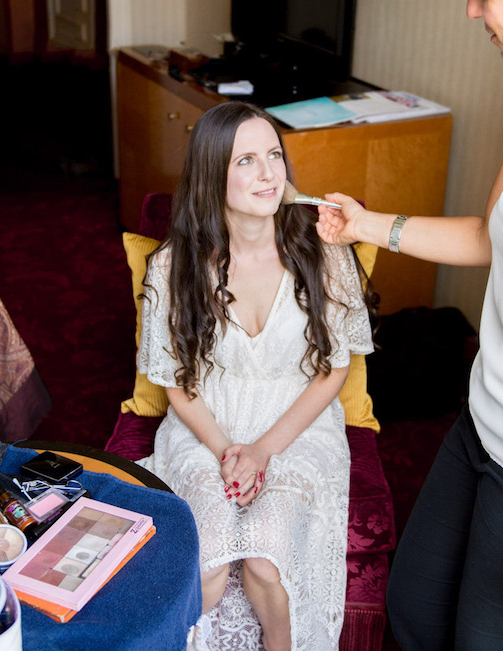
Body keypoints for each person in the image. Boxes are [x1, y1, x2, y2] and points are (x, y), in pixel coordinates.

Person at [316, 0, 503, 648]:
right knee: (416, 606)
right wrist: (366, 226)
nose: (471, 8)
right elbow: (493, 234)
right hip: (483, 425)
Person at [136, 101, 375, 649]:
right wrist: (225, 450)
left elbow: (333, 369)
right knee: (212, 555)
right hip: (208, 422)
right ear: (212, 174)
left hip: (297, 422)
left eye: (274, 155)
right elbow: (177, 380)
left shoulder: (323, 250)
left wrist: (264, 449)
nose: (269, 173)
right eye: (246, 161)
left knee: (266, 559)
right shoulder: (174, 265)